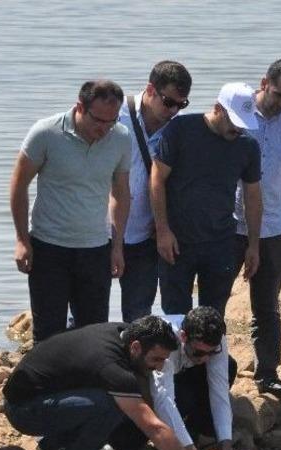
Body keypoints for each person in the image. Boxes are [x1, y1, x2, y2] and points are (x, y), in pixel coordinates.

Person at [2, 315, 216, 450]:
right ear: (135, 347)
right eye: (157, 359)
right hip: (23, 409)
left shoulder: (123, 332)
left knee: (119, 399)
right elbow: (154, 427)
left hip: (49, 393)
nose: (160, 368)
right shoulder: (112, 366)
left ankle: (55, 445)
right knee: (111, 404)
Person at [11, 80, 131, 342]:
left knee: (94, 333)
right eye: (98, 120)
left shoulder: (121, 138)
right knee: (48, 333)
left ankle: (86, 384)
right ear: (80, 107)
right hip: (48, 247)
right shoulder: (46, 133)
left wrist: (117, 246)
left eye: (111, 121)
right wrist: (21, 239)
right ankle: (49, 384)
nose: (104, 128)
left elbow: (120, 193)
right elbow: (19, 185)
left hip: (96, 249)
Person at [151, 82, 262, 316]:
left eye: (244, 124)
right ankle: (177, 354)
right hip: (177, 242)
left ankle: (209, 354)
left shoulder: (248, 146)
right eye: (235, 123)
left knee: (213, 317)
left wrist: (253, 245)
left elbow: (252, 198)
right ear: (218, 108)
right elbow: (157, 179)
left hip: (221, 242)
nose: (239, 130)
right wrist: (162, 231)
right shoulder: (181, 129)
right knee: (175, 315)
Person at [232, 59, 281, 398]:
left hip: (273, 225)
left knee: (267, 306)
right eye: (277, 95)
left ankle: (267, 373)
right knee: (213, 301)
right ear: (263, 83)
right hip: (229, 224)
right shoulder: (239, 111)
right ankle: (206, 369)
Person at [108, 306, 249, 450]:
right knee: (183, 398)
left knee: (229, 366)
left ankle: (195, 434)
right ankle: (130, 446)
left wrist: (227, 448)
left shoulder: (215, 341)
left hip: (183, 371)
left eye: (211, 353)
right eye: (199, 352)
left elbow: (219, 390)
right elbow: (163, 401)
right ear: (183, 337)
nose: (205, 358)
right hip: (143, 380)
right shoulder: (166, 344)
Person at [116, 60, 192, 322]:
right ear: (150, 89)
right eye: (168, 102)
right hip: (101, 233)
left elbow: (181, 181)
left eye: (181, 104)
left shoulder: (180, 127)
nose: (173, 111)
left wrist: (165, 227)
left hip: (146, 237)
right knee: (87, 314)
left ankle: (131, 363)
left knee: (138, 317)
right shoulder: (115, 114)